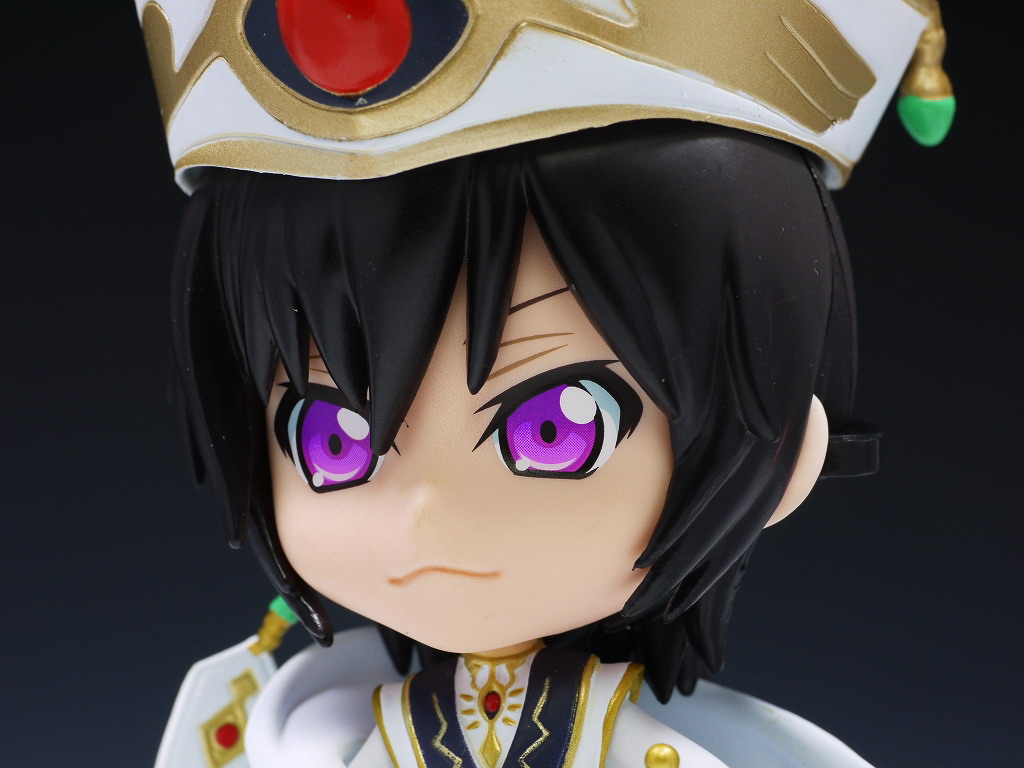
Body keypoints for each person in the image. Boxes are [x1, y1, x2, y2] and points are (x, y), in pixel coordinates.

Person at [139, 2, 952, 766]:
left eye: (555, 429)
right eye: (333, 440)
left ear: (782, 455)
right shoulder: (317, 729)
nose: (424, 513)